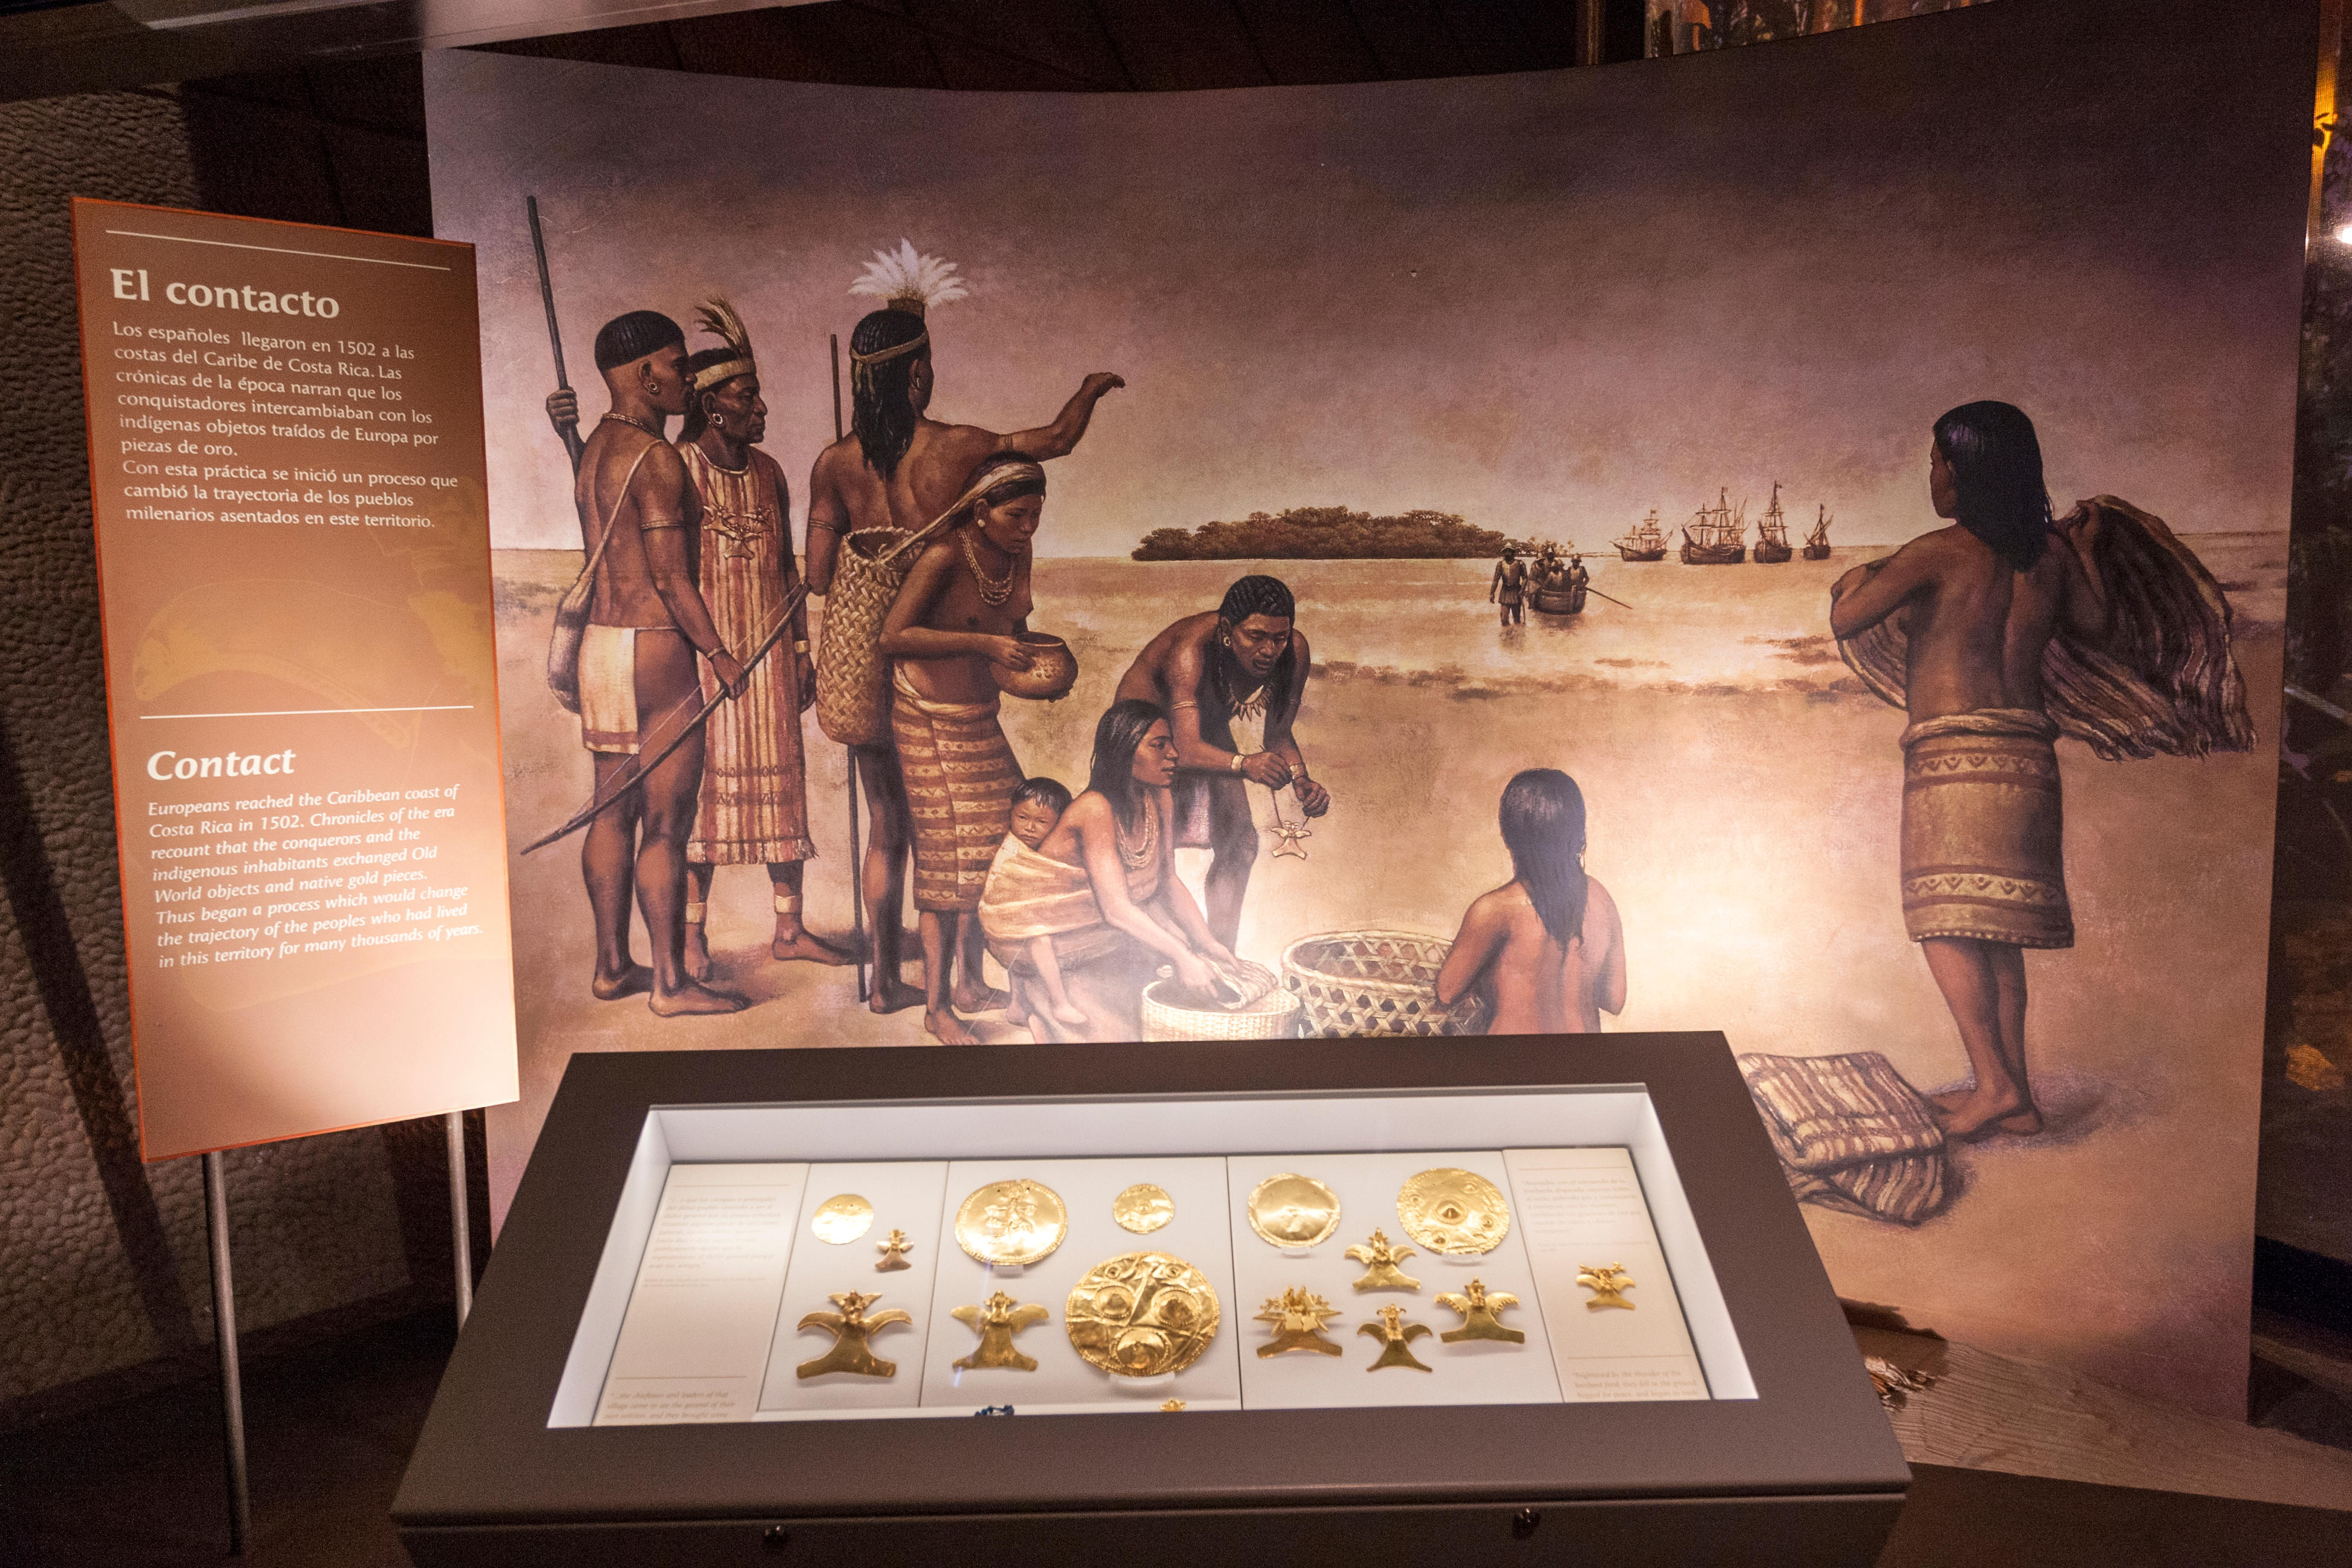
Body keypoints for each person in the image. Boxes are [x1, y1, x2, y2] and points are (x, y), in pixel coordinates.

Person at [805, 302, 1124, 1019]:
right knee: (961, 831)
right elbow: (1056, 441)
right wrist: (1090, 390)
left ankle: (888, 979)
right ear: (918, 374)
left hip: (863, 666)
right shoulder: (959, 448)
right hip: (932, 670)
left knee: (893, 824)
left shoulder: (834, 462)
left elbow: (820, 575)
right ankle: (963, 979)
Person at [1829, 401, 2109, 1139]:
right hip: (2029, 756)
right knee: (1998, 927)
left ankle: (1990, 1086)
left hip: (1953, 756)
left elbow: (1847, 618)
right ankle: (2015, 1096)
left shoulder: (1937, 553)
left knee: (1947, 921)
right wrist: (2079, 551)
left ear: (1962, 473)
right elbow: (2098, 625)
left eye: (1936, 462)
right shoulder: (2047, 555)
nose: (1932, 475)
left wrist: (1858, 573)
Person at [544, 310, 748, 1016]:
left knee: (611, 812)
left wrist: (565, 430)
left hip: (601, 646)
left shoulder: (598, 446)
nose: (686, 379)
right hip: (655, 646)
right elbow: (670, 578)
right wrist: (719, 653)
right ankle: (669, 984)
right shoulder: (657, 459)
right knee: (665, 823)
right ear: (642, 375)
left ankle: (611, 967)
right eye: (676, 365)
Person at [671, 302, 850, 978]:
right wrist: (711, 650)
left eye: (758, 394)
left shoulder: (772, 472)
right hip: (706, 653)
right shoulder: (680, 466)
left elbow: (786, 570)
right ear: (713, 406)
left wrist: (802, 653)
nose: (761, 407)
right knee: (701, 804)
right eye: (747, 396)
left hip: (771, 654)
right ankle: (692, 939)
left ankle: (789, 928)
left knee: (783, 790)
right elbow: (672, 573)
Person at [877, 452, 1051, 1045]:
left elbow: (1015, 627)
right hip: (927, 718)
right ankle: (937, 1008)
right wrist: (984, 645)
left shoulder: (1018, 554)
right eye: (1017, 515)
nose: (1028, 527)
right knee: (945, 868)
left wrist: (1032, 663)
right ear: (980, 511)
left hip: (981, 715)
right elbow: (894, 635)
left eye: (1036, 516)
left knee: (994, 850)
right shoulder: (945, 555)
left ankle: (971, 984)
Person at [1114, 575, 1330, 950]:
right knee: (1147, 856)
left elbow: (1277, 737)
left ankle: (1222, 954)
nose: (1269, 651)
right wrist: (1245, 764)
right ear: (1228, 631)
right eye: (1256, 637)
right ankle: (1148, 958)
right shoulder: (1190, 651)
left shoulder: (1293, 652)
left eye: (1279, 638)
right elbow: (1182, 748)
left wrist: (1301, 780)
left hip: (1203, 729)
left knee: (1240, 842)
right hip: (1144, 734)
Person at [1012, 699, 1240, 1042]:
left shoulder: (1159, 797)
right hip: (1059, 941)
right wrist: (1182, 954)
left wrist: (1206, 942)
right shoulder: (1094, 808)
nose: (1174, 755)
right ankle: (1041, 1004)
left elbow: (1167, 881)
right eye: (1159, 745)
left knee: (1191, 995)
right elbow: (1116, 909)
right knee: (1122, 1038)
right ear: (1123, 750)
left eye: (1172, 744)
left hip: (1109, 933)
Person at [1435, 768, 1625, 1034]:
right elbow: (1614, 999)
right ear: (1577, 831)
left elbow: (1446, 991)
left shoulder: (1495, 909)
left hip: (1514, 1063)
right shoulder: (1601, 899)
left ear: (1509, 834)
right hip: (1586, 1061)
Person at [979, 777, 1090, 1031]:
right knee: (1037, 935)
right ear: (1012, 814)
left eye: (1041, 822)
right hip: (999, 916)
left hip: (1016, 916)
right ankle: (1059, 1003)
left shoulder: (1052, 848)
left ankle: (1018, 1005)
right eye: (1022, 818)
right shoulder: (1012, 849)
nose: (1029, 828)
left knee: (1026, 930)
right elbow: (1007, 888)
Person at [1491, 546, 1526, 626]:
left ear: (1513, 553)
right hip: (1505, 591)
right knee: (1504, 619)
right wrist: (1492, 593)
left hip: (1516, 592)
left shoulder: (1520, 564)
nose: (1508, 553)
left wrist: (1522, 590)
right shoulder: (1500, 565)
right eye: (1506, 551)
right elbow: (1496, 580)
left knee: (1517, 620)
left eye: (1509, 551)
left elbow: (1525, 578)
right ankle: (1505, 636)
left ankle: (1516, 636)